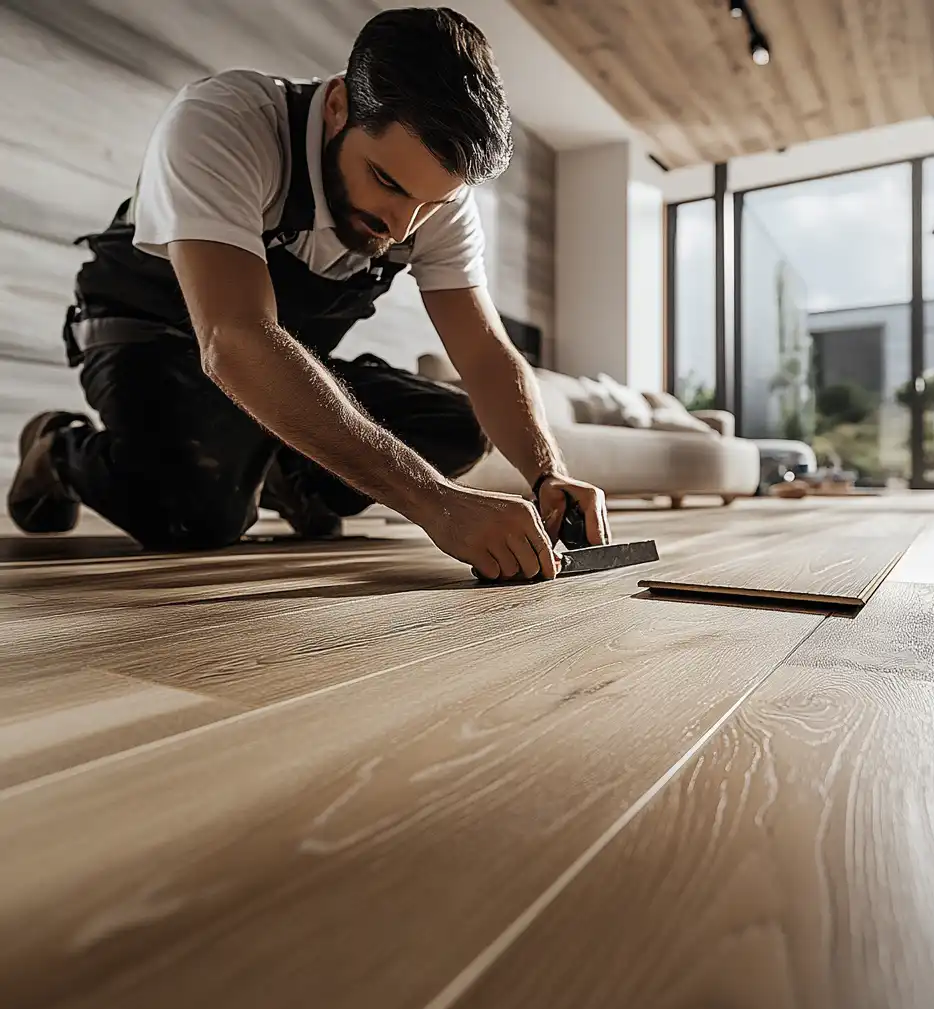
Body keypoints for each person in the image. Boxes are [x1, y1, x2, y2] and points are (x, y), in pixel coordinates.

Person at [6, 6, 611, 582]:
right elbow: (234, 338)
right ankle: (60, 447)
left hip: (274, 359)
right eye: (386, 182)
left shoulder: (433, 202)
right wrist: (438, 506)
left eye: (432, 203)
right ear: (339, 106)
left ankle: (266, 468)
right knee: (197, 515)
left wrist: (547, 473)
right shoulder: (225, 121)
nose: (403, 227)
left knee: (453, 428)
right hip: (152, 340)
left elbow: (483, 354)